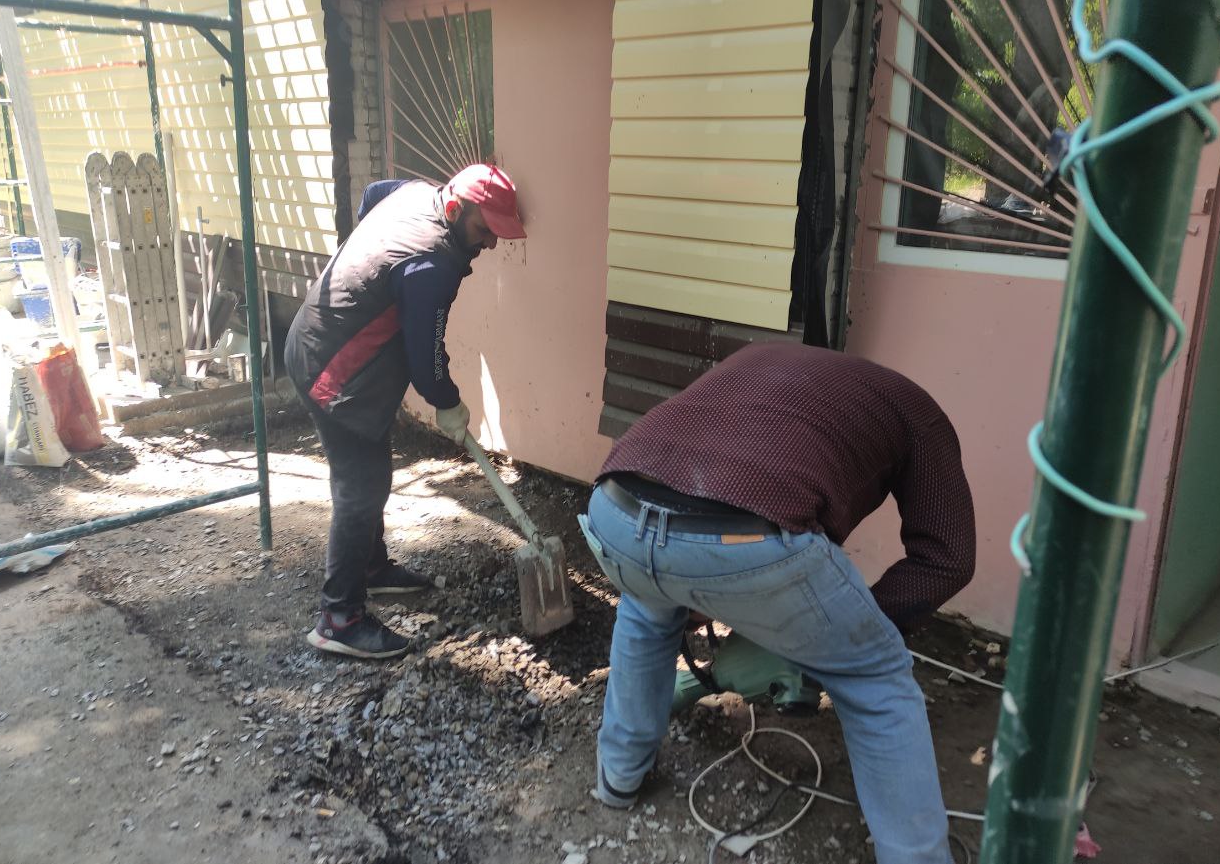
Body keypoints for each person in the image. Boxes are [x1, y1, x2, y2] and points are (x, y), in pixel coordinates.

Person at [582, 342, 975, 864]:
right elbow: (948, 559)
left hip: (614, 513)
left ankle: (618, 778)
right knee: (874, 676)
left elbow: (691, 495)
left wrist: (699, 589)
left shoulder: (761, 359)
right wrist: (849, 640)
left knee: (644, 609)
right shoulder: (916, 411)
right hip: (746, 541)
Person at [284, 164, 526, 660]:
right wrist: (448, 404)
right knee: (362, 485)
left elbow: (371, 194)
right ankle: (338, 618)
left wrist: (370, 274)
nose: (490, 244)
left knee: (372, 471)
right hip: (334, 369)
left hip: (320, 340)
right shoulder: (431, 264)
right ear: (457, 209)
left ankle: (371, 569)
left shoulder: (417, 194)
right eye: (485, 231)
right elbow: (426, 358)